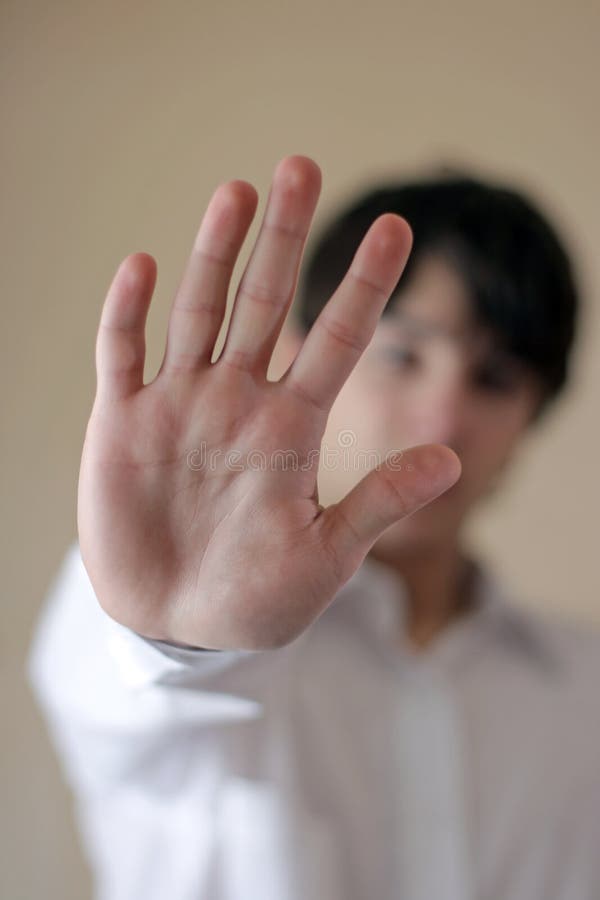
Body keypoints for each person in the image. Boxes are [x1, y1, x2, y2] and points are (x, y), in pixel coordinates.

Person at [28, 155, 600, 900]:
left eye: (494, 379)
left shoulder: (584, 695)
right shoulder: (208, 668)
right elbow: (114, 705)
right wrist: (175, 634)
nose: (443, 418)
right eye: (402, 355)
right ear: (298, 357)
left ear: (531, 424)